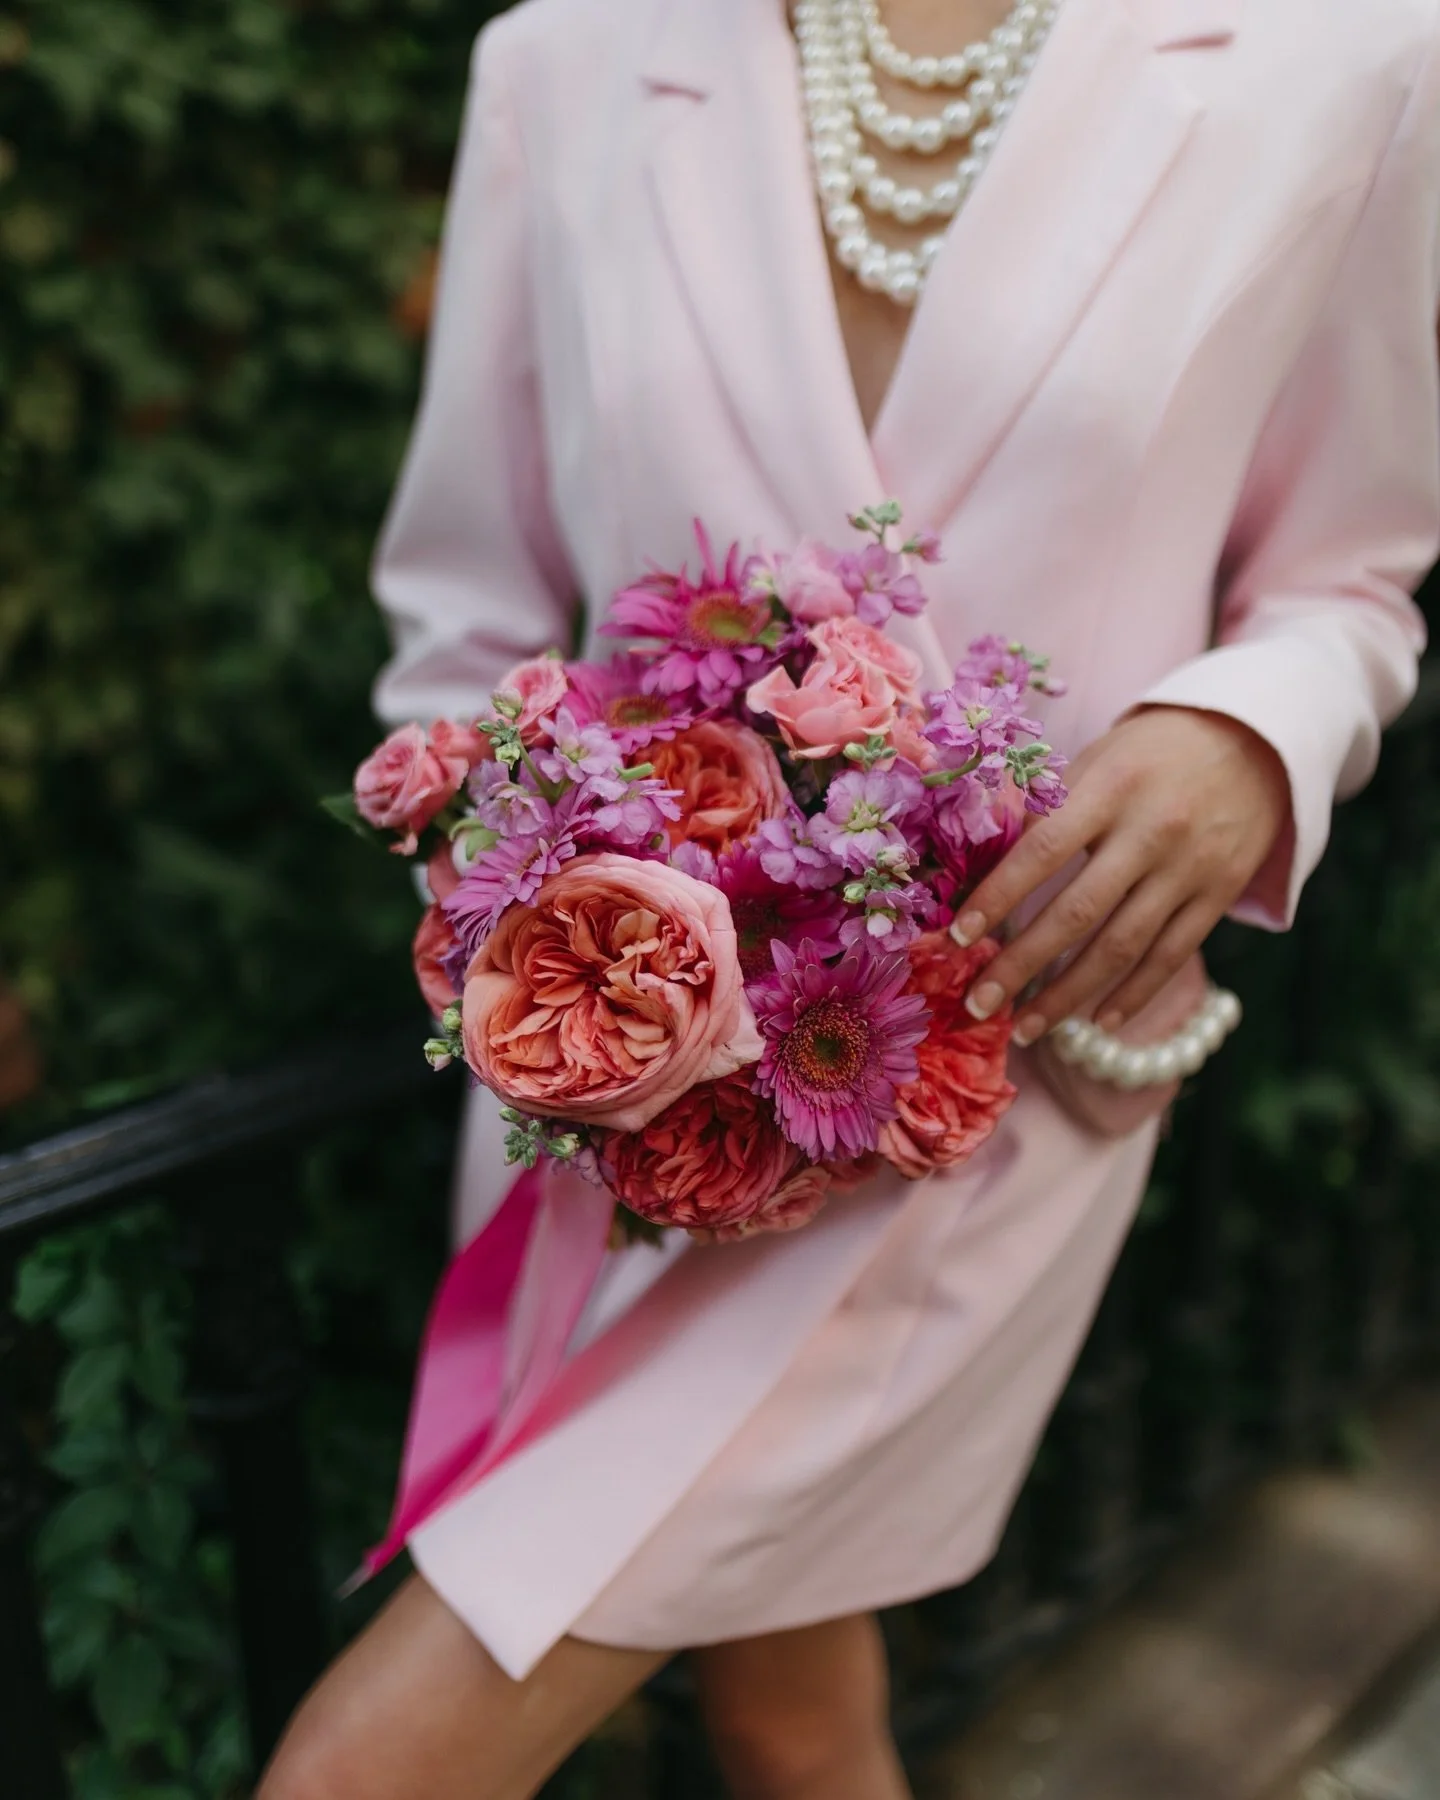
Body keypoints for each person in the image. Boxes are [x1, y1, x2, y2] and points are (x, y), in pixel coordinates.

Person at [258, 0, 1440, 1794]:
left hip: (996, 1079)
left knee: (359, 1771)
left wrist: (1248, 735)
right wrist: (531, 893)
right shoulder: (563, 60)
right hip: (624, 1103)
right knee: (794, 1727)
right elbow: (466, 615)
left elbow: (1349, 578)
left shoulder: (1342, 50)